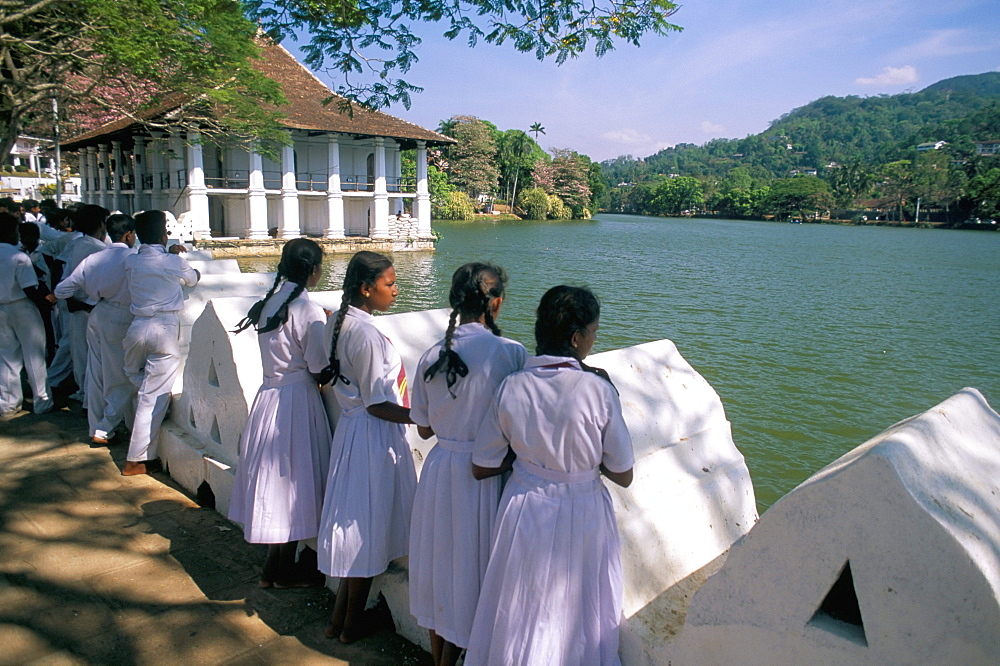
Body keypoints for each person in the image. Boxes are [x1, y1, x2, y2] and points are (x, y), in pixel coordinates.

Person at [466, 285, 634, 666]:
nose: (594, 338)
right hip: (582, 508)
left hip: (524, 503)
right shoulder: (598, 390)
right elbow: (623, 473)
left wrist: (531, 460)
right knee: (577, 609)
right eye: (593, 331)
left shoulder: (512, 385)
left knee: (522, 603)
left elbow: (483, 464)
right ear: (576, 338)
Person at [408, 262, 527, 666]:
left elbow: (422, 429)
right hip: (485, 475)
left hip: (439, 469)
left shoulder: (430, 355)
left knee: (439, 568)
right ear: (496, 303)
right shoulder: (510, 353)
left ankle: (439, 656)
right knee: (474, 572)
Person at [317, 250, 416, 643]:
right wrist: (420, 417)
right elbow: (378, 403)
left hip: (352, 432)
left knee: (360, 524)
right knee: (367, 531)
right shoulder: (368, 335)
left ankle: (339, 618)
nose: (396, 290)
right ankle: (351, 623)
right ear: (366, 288)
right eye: (389, 284)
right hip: (373, 438)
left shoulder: (335, 324)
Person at [228, 238, 332, 589]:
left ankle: (276, 567)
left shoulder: (271, 301)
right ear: (313, 270)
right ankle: (279, 570)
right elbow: (318, 366)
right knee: (295, 484)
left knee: (277, 483)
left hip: (269, 395)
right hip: (297, 402)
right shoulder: (306, 309)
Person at [122, 210, 200, 476]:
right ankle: (136, 459)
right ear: (162, 234)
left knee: (136, 379)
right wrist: (177, 258)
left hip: (136, 327)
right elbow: (192, 278)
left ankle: (137, 442)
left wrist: (168, 251)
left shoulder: (132, 262)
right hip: (164, 328)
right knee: (151, 396)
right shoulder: (171, 262)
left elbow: (152, 259)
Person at [52, 214, 137, 443]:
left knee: (96, 373)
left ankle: (96, 426)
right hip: (122, 315)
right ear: (129, 234)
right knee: (120, 376)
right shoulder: (133, 258)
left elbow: (62, 290)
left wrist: (90, 297)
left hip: (98, 312)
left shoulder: (94, 259)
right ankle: (105, 429)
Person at [54, 205, 110, 406]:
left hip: (76, 306)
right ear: (102, 225)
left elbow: (66, 278)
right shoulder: (100, 250)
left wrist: (70, 301)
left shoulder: (79, 245)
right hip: (92, 308)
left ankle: (84, 393)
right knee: (96, 358)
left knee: (80, 355)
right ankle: (92, 400)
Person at [0, 214, 53, 417]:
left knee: (7, 357)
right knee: (34, 355)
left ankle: (8, 404)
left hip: (1, 309)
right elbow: (30, 287)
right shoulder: (19, 257)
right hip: (22, 307)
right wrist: (47, 302)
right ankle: (42, 400)